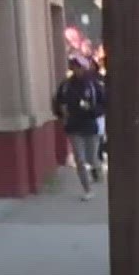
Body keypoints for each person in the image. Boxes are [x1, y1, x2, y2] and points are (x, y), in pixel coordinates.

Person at [52, 55, 106, 201]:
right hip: (73, 126)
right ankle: (87, 189)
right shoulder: (66, 86)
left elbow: (104, 104)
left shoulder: (94, 85)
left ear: (84, 68)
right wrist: (61, 113)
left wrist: (92, 110)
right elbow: (57, 102)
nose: (76, 70)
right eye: (73, 67)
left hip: (90, 125)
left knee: (92, 158)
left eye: (78, 67)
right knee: (80, 160)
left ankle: (97, 169)